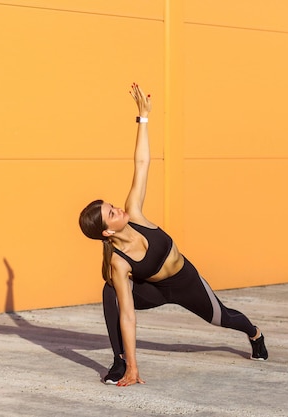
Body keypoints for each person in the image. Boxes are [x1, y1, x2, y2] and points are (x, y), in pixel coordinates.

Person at [78, 83, 268, 387]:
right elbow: (128, 316)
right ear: (106, 231)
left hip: (184, 281)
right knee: (110, 291)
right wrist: (135, 367)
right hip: (154, 291)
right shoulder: (119, 263)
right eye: (112, 213)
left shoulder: (135, 214)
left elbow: (141, 164)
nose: (118, 209)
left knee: (224, 317)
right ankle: (120, 362)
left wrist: (143, 118)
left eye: (112, 205)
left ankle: (255, 334)